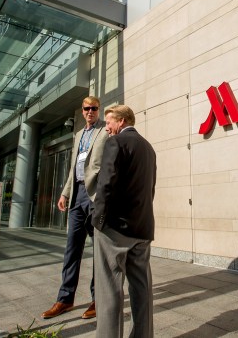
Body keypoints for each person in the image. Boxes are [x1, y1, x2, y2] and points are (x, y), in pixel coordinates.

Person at [92, 104, 157, 338]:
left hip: (114, 230)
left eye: (109, 121)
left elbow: (106, 184)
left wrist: (97, 220)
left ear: (121, 120)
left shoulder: (116, 142)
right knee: (142, 288)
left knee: (109, 289)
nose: (107, 127)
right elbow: (150, 189)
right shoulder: (149, 148)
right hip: (142, 228)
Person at [42, 96, 109, 320]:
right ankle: (65, 299)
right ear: (82, 111)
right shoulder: (79, 134)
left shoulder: (105, 131)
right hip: (77, 195)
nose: (90, 111)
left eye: (94, 108)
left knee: (99, 249)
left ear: (99, 110)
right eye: (86, 108)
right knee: (72, 249)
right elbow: (74, 168)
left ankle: (98, 299)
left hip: (94, 195)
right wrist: (65, 193)